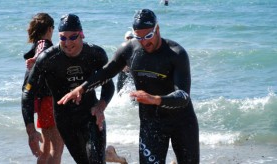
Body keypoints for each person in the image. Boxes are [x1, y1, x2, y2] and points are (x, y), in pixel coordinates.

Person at [58, 9, 200, 164]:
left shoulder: (176, 53)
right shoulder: (130, 49)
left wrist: (154, 99)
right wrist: (82, 88)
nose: (145, 42)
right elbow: (106, 73)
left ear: (157, 29)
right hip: (151, 123)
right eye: (139, 37)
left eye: (148, 36)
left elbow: (183, 97)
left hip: (182, 122)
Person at [22, 13, 116, 163]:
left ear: (81, 35)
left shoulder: (95, 54)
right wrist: (31, 131)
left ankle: (108, 155)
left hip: (91, 115)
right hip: (65, 121)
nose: (67, 43)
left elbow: (109, 85)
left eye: (72, 37)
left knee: (96, 161)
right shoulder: (47, 59)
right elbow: (27, 92)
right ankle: (110, 154)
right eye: (63, 38)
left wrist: (100, 107)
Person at [21, 13, 64, 164]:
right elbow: (42, 52)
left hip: (41, 102)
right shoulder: (44, 44)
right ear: (50, 29)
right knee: (57, 149)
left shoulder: (37, 44)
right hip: (48, 102)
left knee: (46, 149)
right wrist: (36, 59)